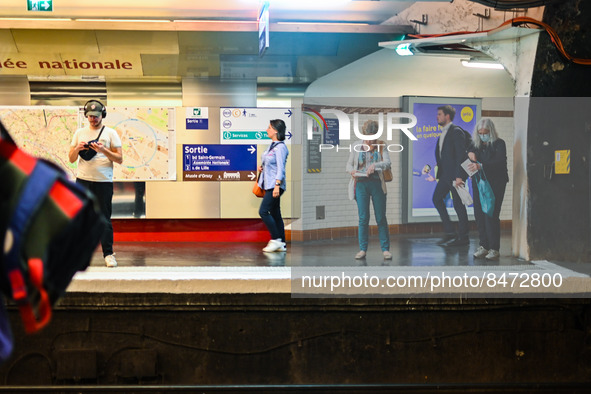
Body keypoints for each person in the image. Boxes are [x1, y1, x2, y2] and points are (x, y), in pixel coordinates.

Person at [68, 100, 122, 267]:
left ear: (102, 115)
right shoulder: (79, 133)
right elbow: (71, 159)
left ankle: (108, 254)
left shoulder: (111, 133)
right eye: (90, 116)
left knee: (104, 219)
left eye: (96, 116)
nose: (93, 119)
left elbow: (119, 159)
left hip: (103, 182)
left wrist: (103, 150)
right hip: (83, 180)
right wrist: (77, 148)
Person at [346, 120, 392, 260]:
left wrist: (375, 166)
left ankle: (385, 249)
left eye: (373, 137)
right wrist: (351, 171)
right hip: (360, 184)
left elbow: (388, 162)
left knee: (380, 217)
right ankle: (362, 249)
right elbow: (348, 164)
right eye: (368, 137)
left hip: (377, 184)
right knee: (363, 218)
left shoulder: (382, 145)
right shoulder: (356, 145)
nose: (370, 140)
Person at [466, 118, 509, 261]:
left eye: (485, 133)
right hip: (479, 184)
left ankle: (494, 248)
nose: (483, 135)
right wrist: (470, 158)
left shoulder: (499, 144)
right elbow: (469, 158)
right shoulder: (476, 145)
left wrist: (481, 165)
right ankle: (483, 245)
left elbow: (499, 162)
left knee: (491, 214)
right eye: (480, 133)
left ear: (491, 131)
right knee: (479, 214)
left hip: (496, 183)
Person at [432, 105, 470, 246]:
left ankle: (463, 238)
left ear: (447, 116)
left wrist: (459, 176)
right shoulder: (444, 132)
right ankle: (450, 232)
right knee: (436, 199)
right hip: (445, 176)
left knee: (458, 206)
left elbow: (461, 154)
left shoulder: (456, 131)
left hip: (455, 176)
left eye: (440, 114)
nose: (437, 117)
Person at [258, 119, 289, 253]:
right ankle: (281, 242)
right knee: (276, 213)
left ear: (276, 130)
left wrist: (277, 185)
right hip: (268, 184)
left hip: (275, 185)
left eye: (269, 128)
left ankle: (275, 239)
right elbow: (270, 164)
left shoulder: (281, 147)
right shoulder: (271, 146)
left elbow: (281, 168)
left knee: (263, 211)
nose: (267, 130)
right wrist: (262, 167)